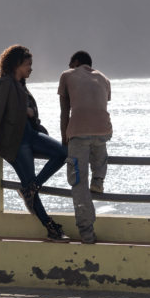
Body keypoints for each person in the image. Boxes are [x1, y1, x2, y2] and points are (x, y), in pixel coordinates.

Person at [0, 45, 70, 241]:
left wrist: (31, 116)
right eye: (27, 65)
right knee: (29, 181)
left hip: (30, 135)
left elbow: (28, 113)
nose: (31, 68)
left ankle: (30, 189)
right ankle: (50, 227)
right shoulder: (6, 84)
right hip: (17, 143)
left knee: (62, 152)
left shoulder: (20, 84)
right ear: (17, 65)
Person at [58, 50, 112, 244]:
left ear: (77, 62)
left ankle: (86, 232)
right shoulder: (104, 78)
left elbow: (65, 110)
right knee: (99, 145)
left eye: (71, 64)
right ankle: (98, 179)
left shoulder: (66, 75)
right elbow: (100, 107)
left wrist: (65, 136)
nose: (69, 67)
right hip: (104, 130)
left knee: (78, 183)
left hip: (79, 134)